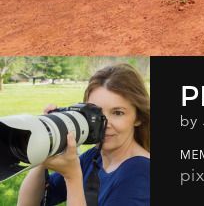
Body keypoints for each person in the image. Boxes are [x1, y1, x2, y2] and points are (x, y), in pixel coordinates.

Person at [17, 63, 150, 206]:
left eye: (118, 113)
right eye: (96, 113)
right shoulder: (94, 158)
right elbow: (29, 203)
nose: (104, 124)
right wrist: (47, 147)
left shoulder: (141, 172)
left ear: (138, 117)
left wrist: (72, 177)